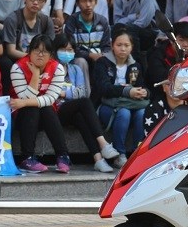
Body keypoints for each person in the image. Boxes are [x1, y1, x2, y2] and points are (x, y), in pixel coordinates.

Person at [50, 34, 121, 173]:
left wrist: (63, 93)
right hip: (56, 111)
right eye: (63, 49)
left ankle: (98, 159)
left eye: (70, 50)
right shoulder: (50, 68)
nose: (67, 53)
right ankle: (103, 143)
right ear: (55, 50)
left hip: (73, 110)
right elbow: (53, 92)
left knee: (81, 117)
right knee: (85, 102)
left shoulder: (75, 69)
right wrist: (67, 93)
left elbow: (82, 91)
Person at [9, 35, 72, 174]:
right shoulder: (17, 68)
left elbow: (50, 99)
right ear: (29, 52)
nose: (40, 54)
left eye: (45, 51)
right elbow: (24, 97)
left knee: (46, 107)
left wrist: (24, 102)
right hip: (21, 116)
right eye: (36, 50)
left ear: (51, 55)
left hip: (45, 114)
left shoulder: (58, 68)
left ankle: (63, 156)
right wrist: (35, 75)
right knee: (32, 107)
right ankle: (27, 158)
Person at [93, 26, 149, 168]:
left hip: (131, 105)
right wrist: (127, 91)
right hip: (107, 105)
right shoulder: (102, 62)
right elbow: (104, 88)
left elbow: (143, 86)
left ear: (131, 47)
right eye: (119, 45)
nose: (122, 49)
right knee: (124, 113)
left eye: (126, 45)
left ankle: (137, 152)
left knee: (142, 113)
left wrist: (144, 93)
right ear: (112, 45)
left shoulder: (135, 65)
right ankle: (120, 154)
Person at [0, 0, 56, 92]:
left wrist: (39, 59)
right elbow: (11, 51)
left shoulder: (46, 21)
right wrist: (35, 58)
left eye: (40, 0)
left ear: (45, 2)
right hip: (17, 60)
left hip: (40, 59)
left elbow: (50, 49)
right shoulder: (13, 19)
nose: (35, 2)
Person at [63, 0, 111, 66]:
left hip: (99, 57)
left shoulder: (103, 21)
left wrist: (101, 55)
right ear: (77, 3)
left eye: (91, 1)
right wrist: (90, 55)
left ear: (96, 2)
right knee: (81, 61)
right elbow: (70, 48)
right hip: (78, 59)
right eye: (84, 1)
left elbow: (107, 47)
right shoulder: (71, 21)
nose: (88, 5)